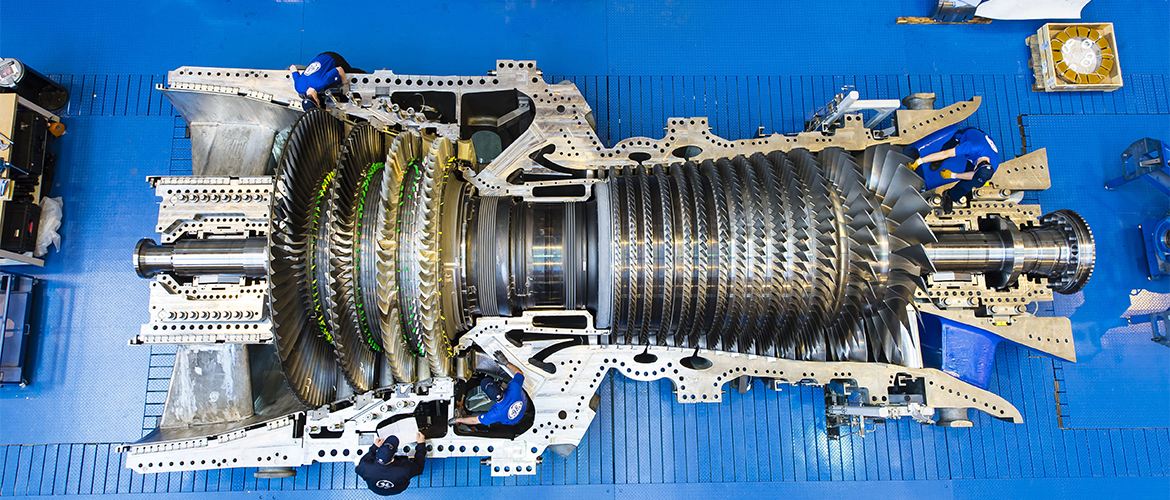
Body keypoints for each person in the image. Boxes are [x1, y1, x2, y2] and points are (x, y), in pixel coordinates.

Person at [908, 127, 1001, 213]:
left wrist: (953, 175)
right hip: (969, 135)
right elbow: (946, 153)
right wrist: (919, 162)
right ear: (975, 168)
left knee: (969, 184)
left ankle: (950, 195)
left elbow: (973, 176)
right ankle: (938, 161)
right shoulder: (970, 147)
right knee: (948, 147)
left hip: (979, 155)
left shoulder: (993, 167)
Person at [450, 351, 529, 428]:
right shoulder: (514, 389)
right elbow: (519, 373)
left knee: (475, 416)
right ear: (501, 388)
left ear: (489, 399)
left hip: (514, 421)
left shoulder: (495, 414)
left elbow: (474, 420)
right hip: (525, 404)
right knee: (479, 417)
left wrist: (458, 420)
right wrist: (506, 363)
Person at [355, 431, 427, 496]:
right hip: (397, 489)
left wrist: (374, 447)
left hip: (375, 489)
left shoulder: (365, 467)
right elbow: (419, 467)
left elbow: (360, 467)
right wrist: (421, 444)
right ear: (393, 459)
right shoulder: (404, 470)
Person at [288, 52, 362, 110]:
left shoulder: (321, 82)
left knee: (349, 71)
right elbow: (292, 67)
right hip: (319, 57)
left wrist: (345, 84)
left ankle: (363, 72)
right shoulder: (298, 87)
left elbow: (339, 69)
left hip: (332, 57)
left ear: (317, 101)